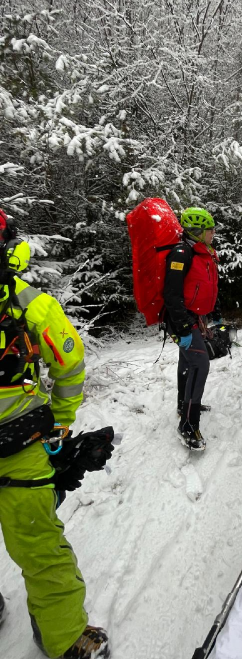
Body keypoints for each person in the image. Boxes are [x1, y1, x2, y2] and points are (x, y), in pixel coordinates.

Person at [0, 246, 109, 657]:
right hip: (20, 444)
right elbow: (70, 360)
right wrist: (60, 421)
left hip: (19, 444)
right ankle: (64, 638)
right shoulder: (29, 302)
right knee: (40, 547)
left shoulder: (25, 302)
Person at [163, 207, 220, 451]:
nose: (213, 234)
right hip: (181, 319)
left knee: (187, 362)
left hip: (193, 317)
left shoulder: (199, 251)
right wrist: (184, 327)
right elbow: (171, 294)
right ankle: (188, 424)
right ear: (197, 232)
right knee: (200, 364)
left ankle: (182, 404)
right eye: (209, 230)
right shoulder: (180, 253)